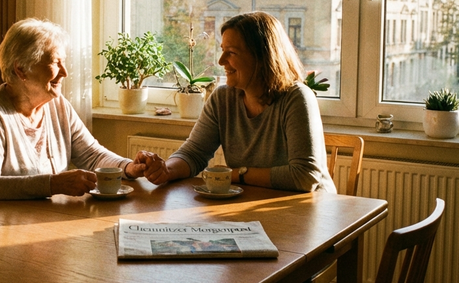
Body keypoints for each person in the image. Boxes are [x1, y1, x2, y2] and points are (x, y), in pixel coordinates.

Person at [0, 18, 152, 211]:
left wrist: (128, 168)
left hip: (23, 223)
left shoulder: (58, 106)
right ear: (21, 69)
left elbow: (92, 155)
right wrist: (53, 184)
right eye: (55, 62)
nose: (64, 72)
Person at [140, 11, 335, 194]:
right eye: (222, 50)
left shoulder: (297, 98)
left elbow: (305, 177)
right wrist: (166, 170)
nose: (221, 61)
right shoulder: (222, 98)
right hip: (254, 203)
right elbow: (194, 153)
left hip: (310, 211)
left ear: (262, 57)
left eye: (231, 52)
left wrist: (235, 174)